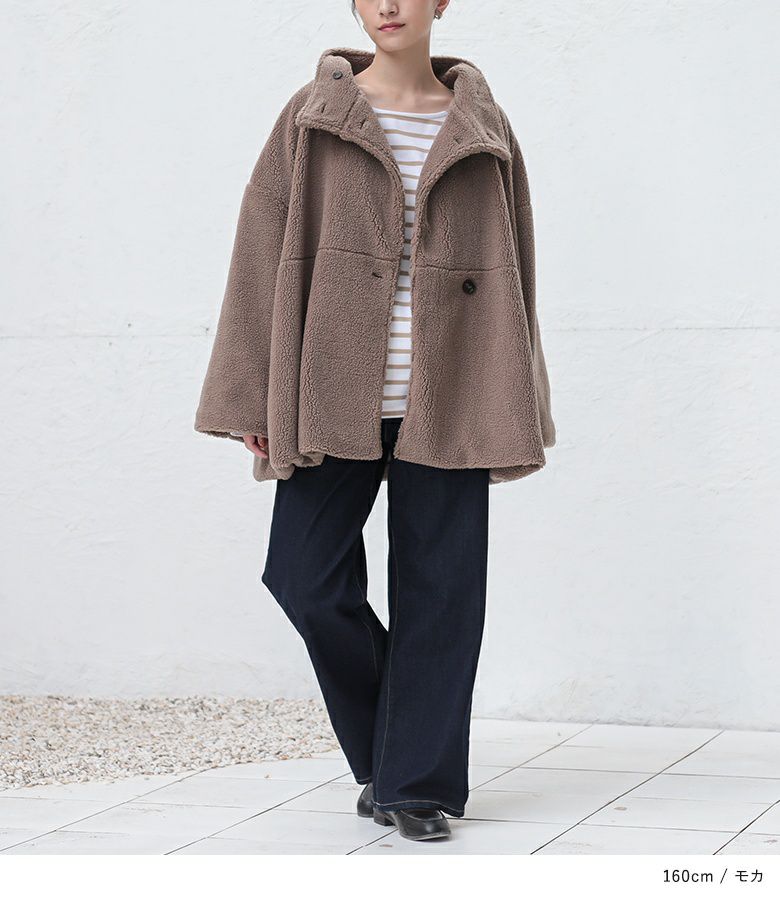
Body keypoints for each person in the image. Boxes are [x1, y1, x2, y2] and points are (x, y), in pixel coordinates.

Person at [194, 0, 555, 842]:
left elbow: (518, 268)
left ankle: (414, 784)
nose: (389, 5)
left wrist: (517, 393)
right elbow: (259, 250)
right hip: (331, 385)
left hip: (455, 387)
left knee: (442, 593)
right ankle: (401, 746)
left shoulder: (483, 124)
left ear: (441, 3)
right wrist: (253, 393)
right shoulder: (315, 112)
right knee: (303, 577)